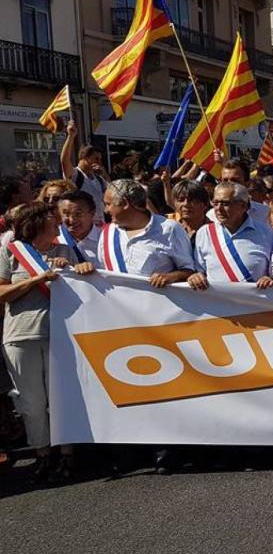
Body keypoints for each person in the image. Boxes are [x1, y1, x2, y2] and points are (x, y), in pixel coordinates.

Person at [0, 202, 95, 482]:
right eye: (53, 219)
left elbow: (84, 285)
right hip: (20, 336)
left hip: (60, 335)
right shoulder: (10, 251)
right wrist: (36, 279)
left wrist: (76, 269)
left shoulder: (64, 251)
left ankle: (67, 453)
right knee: (31, 403)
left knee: (60, 398)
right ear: (37, 222)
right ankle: (42, 454)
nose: (59, 223)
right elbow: (2, 292)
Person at [99, 179, 196, 289]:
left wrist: (172, 276)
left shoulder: (169, 229)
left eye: (108, 204)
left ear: (125, 204)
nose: (106, 210)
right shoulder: (107, 233)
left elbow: (190, 271)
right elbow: (102, 274)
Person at [188, 183, 273, 290]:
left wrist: (271, 279)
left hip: (256, 298)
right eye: (215, 203)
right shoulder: (205, 232)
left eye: (225, 203)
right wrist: (195, 276)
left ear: (243, 206)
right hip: (217, 299)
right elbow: (199, 270)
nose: (219, 208)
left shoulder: (267, 232)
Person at [61, 120, 107, 224]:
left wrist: (104, 174)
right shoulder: (76, 175)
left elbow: (112, 193)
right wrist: (71, 136)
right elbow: (64, 161)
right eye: (96, 159)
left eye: (100, 159)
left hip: (100, 226)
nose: (99, 162)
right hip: (82, 226)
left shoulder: (99, 179)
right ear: (84, 157)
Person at [206, 159, 271, 224]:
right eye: (225, 181)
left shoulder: (266, 213)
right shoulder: (212, 216)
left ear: (247, 184)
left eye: (235, 181)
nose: (229, 185)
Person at [56, 191, 102, 267]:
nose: (71, 220)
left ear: (92, 213)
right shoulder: (54, 238)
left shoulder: (105, 241)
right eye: (66, 214)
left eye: (78, 214)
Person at [169, 180, 212, 247]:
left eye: (191, 200)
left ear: (205, 204)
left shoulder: (215, 232)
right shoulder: (168, 228)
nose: (186, 204)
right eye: (181, 200)